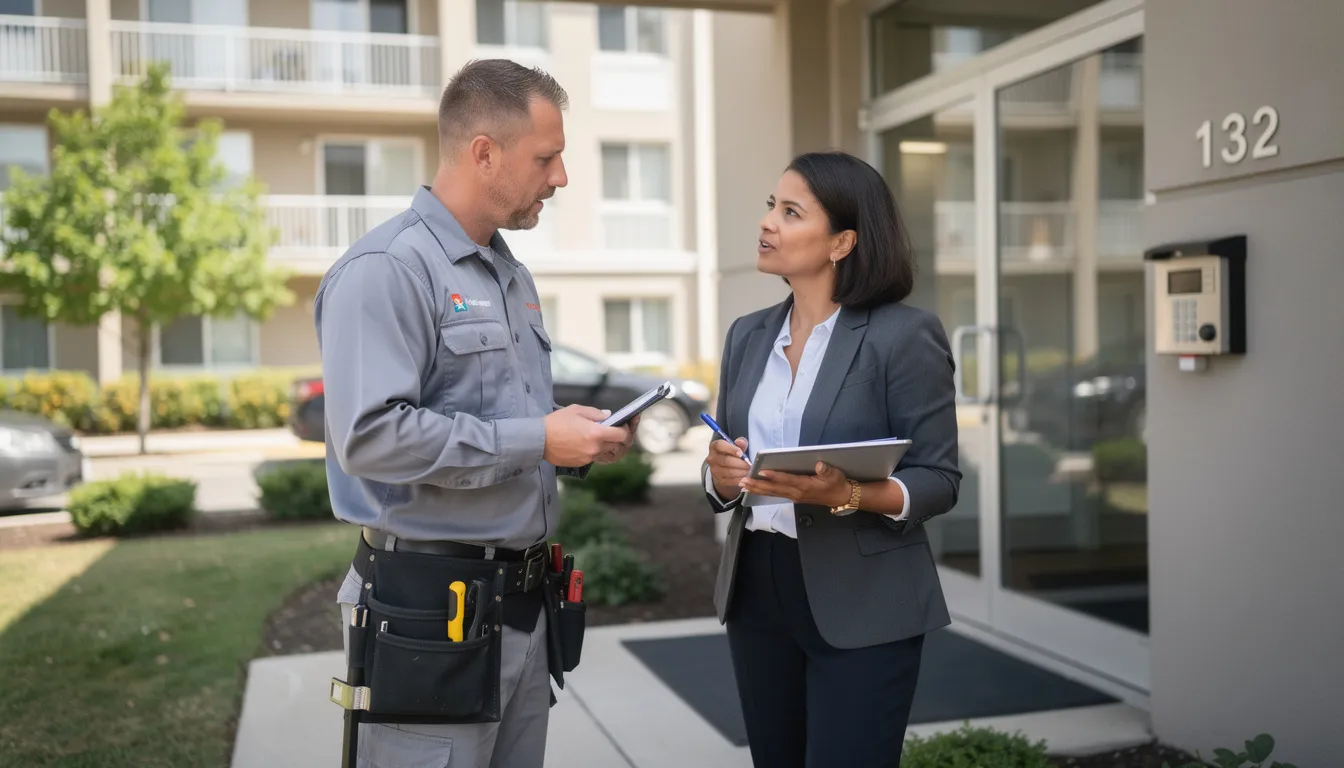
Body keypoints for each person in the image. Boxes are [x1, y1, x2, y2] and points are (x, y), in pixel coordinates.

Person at [316, 59, 637, 768]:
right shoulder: (388, 270)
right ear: (484, 152)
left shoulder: (508, 274)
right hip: (431, 613)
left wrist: (565, 435)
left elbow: (497, 419)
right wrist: (536, 439)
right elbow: (369, 438)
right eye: (547, 158)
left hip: (521, 609)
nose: (561, 178)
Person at [702, 151, 961, 767]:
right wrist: (721, 476)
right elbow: (728, 456)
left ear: (842, 241)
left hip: (863, 592)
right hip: (758, 586)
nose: (768, 223)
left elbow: (940, 480)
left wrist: (848, 494)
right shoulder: (748, 334)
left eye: (791, 212)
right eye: (772, 206)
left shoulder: (903, 335)